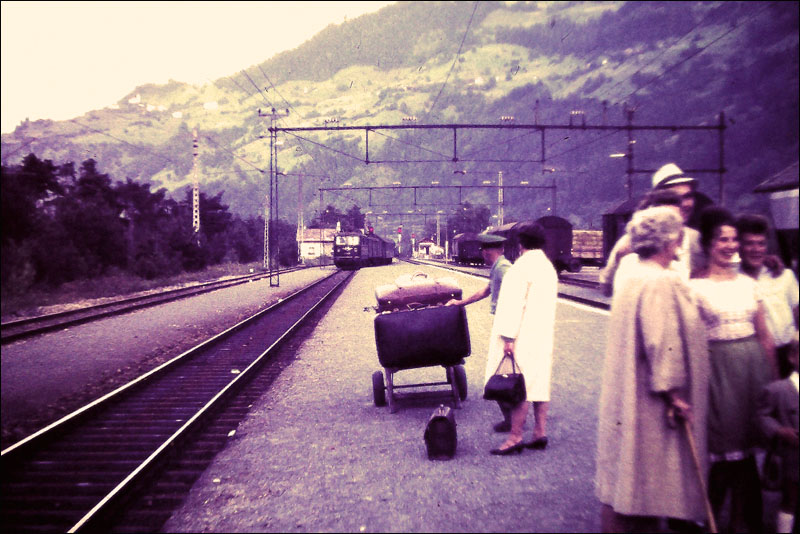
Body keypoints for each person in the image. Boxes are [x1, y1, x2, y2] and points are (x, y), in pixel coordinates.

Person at [595, 206, 710, 532]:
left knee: (626, 482)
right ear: (669, 240)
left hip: (628, 391)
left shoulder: (632, 276)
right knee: (650, 485)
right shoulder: (661, 280)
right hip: (651, 402)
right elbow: (662, 343)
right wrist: (674, 394)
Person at [690, 206, 777, 533]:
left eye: (733, 240)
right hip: (718, 374)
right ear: (708, 244)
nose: (729, 246)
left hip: (753, 371)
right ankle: (710, 520)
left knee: (748, 450)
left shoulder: (748, 284)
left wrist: (773, 383)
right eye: (722, 240)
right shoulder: (695, 287)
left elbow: (765, 336)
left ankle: (743, 520)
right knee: (725, 451)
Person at [484, 221, 558, 455]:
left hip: (523, 334)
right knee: (540, 382)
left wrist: (508, 338)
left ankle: (515, 437)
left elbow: (512, 306)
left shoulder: (520, 269)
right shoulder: (547, 267)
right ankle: (539, 433)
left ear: (520, 242)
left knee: (519, 386)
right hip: (542, 334)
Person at [600, 163, 705, 296]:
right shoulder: (632, 241)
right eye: (675, 199)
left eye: (688, 196)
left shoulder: (697, 240)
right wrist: (618, 258)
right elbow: (606, 289)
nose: (684, 204)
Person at [446, 233, 513, 431]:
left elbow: (517, 295)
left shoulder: (503, 269)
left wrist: (510, 334)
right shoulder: (498, 267)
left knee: (499, 373)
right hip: (504, 323)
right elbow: (486, 291)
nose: (482, 254)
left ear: (486, 252)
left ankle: (512, 420)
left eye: (483, 250)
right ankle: (513, 417)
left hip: (507, 325)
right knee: (505, 371)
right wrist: (460, 303)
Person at [737, 214, 799, 379]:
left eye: (761, 243)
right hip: (754, 357)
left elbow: (798, 315)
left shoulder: (784, 275)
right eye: (749, 243)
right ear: (739, 246)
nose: (756, 249)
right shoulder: (733, 280)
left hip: (788, 353)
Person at [757, 333, 799, 534]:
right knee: (791, 499)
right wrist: (779, 430)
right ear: (792, 357)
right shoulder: (778, 390)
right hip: (793, 458)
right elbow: (762, 416)